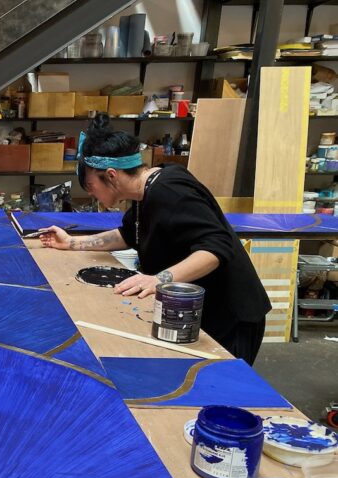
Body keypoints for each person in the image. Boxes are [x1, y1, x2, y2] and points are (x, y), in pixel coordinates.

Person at [39, 114, 271, 364]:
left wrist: (158, 280)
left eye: (90, 185)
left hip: (230, 314)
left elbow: (215, 248)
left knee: (219, 388)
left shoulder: (170, 191)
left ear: (112, 175)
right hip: (194, 308)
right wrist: (71, 243)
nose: (91, 193)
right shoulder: (144, 195)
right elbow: (127, 235)